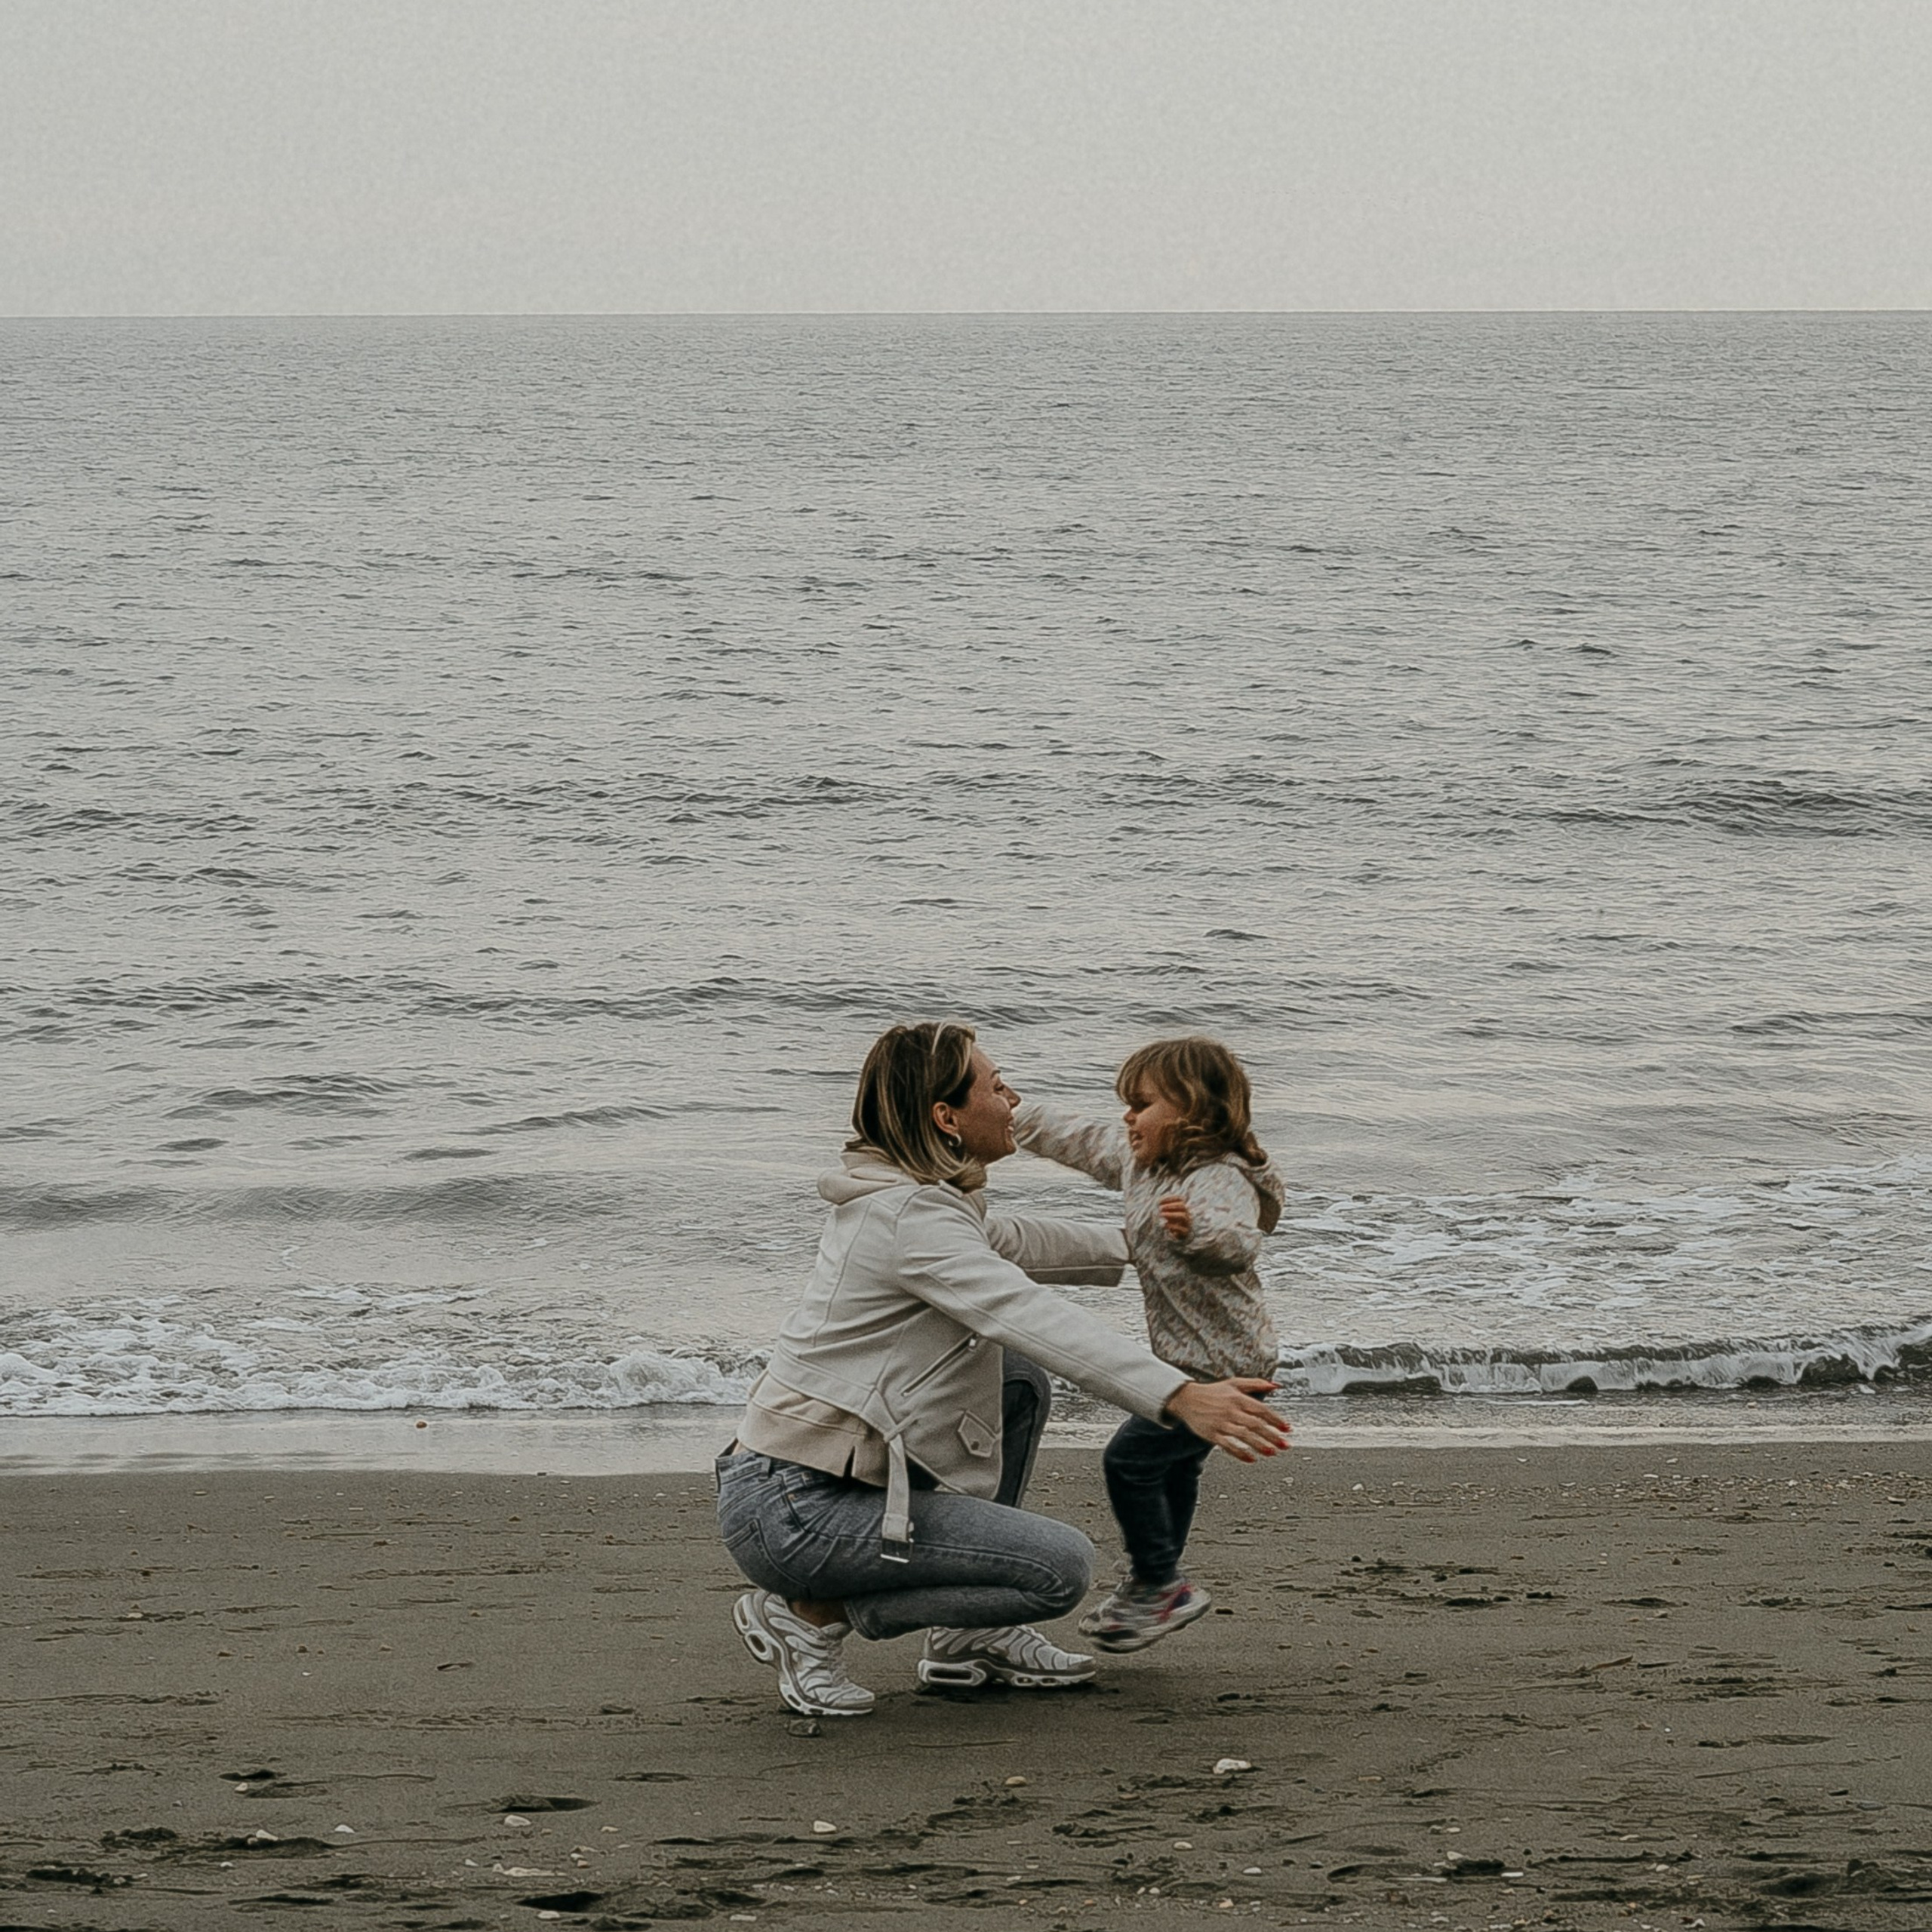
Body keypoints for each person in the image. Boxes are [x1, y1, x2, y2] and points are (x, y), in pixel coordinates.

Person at [715, 1021, 1289, 1718]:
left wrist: (1163, 1245)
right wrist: (1179, 1395)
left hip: (812, 1487)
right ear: (946, 1117)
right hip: (796, 1507)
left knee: (1015, 1381)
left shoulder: (926, 1202)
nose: (1012, 1098)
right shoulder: (909, 1219)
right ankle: (812, 1617)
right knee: (1060, 1571)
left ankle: (967, 1637)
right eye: (996, 1086)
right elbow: (1024, 1312)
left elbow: (1020, 1244)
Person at [1015, 1035, 1284, 1652]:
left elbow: (1240, 1241)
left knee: (1130, 1463)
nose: (1127, 1117)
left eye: (1141, 1104)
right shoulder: (1142, 1162)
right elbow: (1078, 1138)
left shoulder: (1220, 1178)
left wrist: (1196, 1231)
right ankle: (1157, 1580)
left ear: (1193, 1110)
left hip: (1225, 1368)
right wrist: (1014, 1114)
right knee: (1173, 1470)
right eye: (1126, 1104)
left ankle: (1160, 1581)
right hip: (1184, 1358)